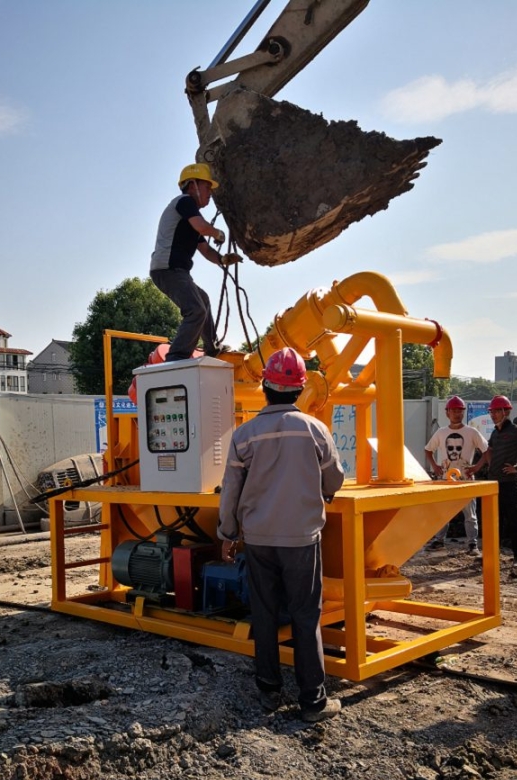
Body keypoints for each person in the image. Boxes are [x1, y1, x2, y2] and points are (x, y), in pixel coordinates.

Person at [217, 347, 345, 723]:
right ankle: (312, 703)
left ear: (265, 387)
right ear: (300, 389)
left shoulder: (245, 435)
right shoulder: (315, 430)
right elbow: (334, 478)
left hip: (258, 539)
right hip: (302, 540)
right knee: (306, 616)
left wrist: (227, 533)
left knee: (265, 613)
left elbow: (231, 491)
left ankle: (269, 694)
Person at [150, 163, 242, 362]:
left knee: (204, 300)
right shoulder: (184, 202)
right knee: (195, 309)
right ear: (192, 185)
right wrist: (217, 233)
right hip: (168, 269)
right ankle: (176, 357)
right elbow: (202, 227)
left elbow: (205, 249)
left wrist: (223, 260)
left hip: (175, 271)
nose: (210, 193)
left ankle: (211, 347)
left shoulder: (189, 217)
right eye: (207, 187)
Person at [466, 395, 517, 571]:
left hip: (509, 483)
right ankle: (491, 554)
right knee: (494, 522)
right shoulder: (496, 432)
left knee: (514, 521)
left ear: (506, 411)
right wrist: (477, 467)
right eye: (492, 411)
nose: (494, 414)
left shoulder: (516, 430)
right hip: (493, 483)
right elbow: (488, 450)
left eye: (498, 411)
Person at [424, 395, 488, 556]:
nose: (457, 414)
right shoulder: (441, 432)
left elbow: (486, 451)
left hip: (466, 481)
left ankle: (472, 544)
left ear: (463, 412)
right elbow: (428, 450)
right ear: (447, 413)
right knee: (443, 512)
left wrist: (476, 467)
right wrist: (435, 466)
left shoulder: (472, 432)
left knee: (470, 515)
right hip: (446, 481)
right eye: (453, 410)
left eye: (460, 410)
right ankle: (439, 541)